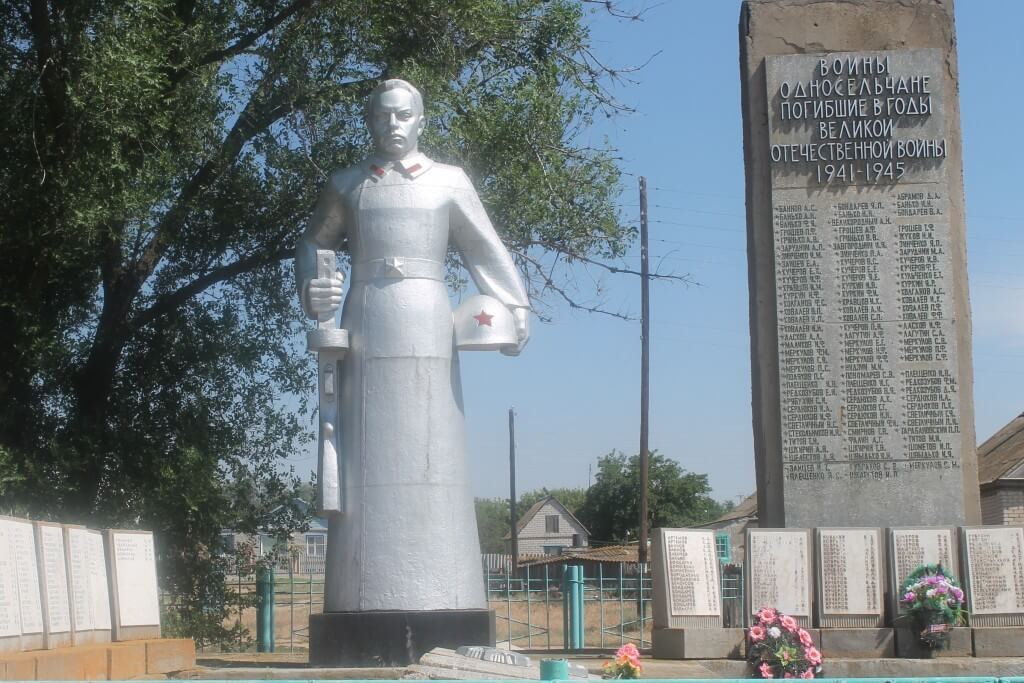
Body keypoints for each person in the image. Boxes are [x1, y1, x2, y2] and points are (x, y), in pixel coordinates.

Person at [295, 79, 529, 613]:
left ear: (421, 121)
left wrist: (515, 306)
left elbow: (484, 247)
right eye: (382, 116)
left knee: (435, 445)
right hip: (365, 321)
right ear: (370, 122)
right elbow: (313, 242)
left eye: (403, 115)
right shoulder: (348, 184)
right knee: (365, 451)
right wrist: (314, 285)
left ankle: (445, 592)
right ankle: (362, 595)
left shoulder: (449, 181)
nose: (392, 125)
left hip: (428, 318)